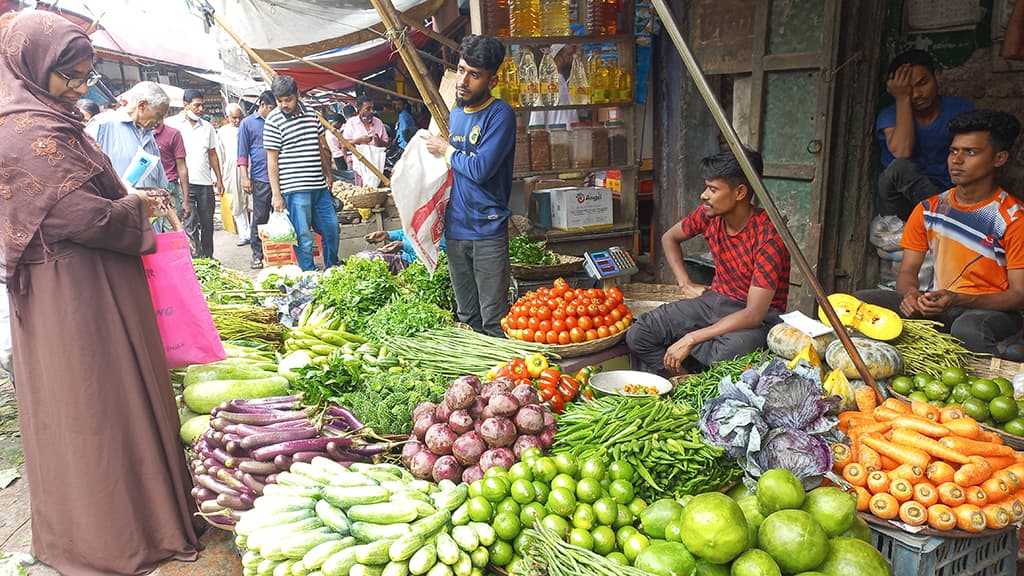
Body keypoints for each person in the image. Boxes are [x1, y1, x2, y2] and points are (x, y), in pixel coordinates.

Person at [0, 11, 202, 574]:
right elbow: (72, 217)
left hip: (94, 281)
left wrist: (126, 202)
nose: (83, 88)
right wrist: (132, 206)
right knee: (94, 407)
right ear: (35, 67)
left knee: (120, 396)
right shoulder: (21, 130)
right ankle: (112, 536)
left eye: (87, 74)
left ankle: (149, 517)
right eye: (72, 76)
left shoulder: (52, 118)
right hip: (71, 295)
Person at [856, 110, 1024, 356]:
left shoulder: (1013, 218)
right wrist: (911, 295)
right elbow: (907, 272)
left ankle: (989, 384)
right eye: (953, 151)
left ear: (999, 158)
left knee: (967, 329)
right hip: (942, 304)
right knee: (858, 303)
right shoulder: (929, 209)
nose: (957, 160)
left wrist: (959, 299)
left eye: (971, 152)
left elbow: (1019, 296)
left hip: (990, 311)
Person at [626, 149, 791, 375]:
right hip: (714, 301)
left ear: (740, 192)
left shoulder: (769, 237)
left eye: (712, 189)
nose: (704, 195)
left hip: (759, 318)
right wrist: (685, 283)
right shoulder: (708, 214)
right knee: (639, 333)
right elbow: (669, 238)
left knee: (726, 352)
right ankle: (685, 382)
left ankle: (697, 368)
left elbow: (754, 314)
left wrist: (692, 337)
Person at [424, 35, 516, 337]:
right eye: (462, 70)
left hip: (487, 230)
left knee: (494, 319)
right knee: (466, 316)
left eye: (474, 75)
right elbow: (454, 169)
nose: (463, 80)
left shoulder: (500, 114)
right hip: (456, 229)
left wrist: (446, 150)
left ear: (492, 78)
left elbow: (479, 168)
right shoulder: (457, 113)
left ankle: (500, 379)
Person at [876, 49, 973, 221]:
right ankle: (951, 221)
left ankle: (950, 220)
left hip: (944, 193)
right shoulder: (890, 115)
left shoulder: (960, 109)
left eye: (923, 83)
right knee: (900, 168)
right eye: (908, 89)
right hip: (901, 202)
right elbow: (902, 152)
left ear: (937, 75)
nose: (916, 94)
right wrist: (902, 99)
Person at [85, 81, 186, 234]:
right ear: (142, 105)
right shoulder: (103, 125)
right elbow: (84, 176)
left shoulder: (148, 136)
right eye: (158, 115)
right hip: (117, 227)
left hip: (149, 230)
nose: (159, 122)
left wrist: (178, 227)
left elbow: (160, 191)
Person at [263, 74, 340, 271]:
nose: (283, 104)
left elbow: (319, 145)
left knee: (332, 229)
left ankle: (332, 268)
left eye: (287, 99)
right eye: (279, 101)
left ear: (297, 94)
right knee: (303, 237)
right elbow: (271, 161)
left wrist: (328, 173)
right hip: (294, 189)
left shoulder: (312, 115)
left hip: (319, 187)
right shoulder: (273, 121)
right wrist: (276, 194)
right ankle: (309, 274)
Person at [167, 88, 224, 258]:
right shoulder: (172, 125)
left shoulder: (207, 127)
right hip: (183, 183)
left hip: (205, 182)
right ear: (185, 105)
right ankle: (196, 258)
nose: (200, 109)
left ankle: (208, 256)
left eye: (202, 106)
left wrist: (219, 179)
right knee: (190, 223)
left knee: (207, 222)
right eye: (196, 106)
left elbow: (212, 154)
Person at [238, 90, 277, 269]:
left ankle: (278, 253)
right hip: (260, 177)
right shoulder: (247, 124)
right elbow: (242, 154)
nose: (272, 111)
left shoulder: (277, 121)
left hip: (280, 177)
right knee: (260, 217)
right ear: (262, 104)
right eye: (270, 108)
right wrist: (245, 178)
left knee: (280, 216)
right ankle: (257, 254)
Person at [219, 102, 250, 245]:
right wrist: (217, 178)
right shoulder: (222, 132)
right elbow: (220, 155)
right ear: (228, 117)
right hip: (231, 171)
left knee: (252, 201)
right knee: (236, 203)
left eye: (239, 117)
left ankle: (256, 232)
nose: (237, 121)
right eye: (234, 118)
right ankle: (245, 234)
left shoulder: (247, 127)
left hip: (249, 167)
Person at [528, 44, 580, 128]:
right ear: (557, 59)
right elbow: (537, 119)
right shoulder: (547, 85)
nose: (573, 58)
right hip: (555, 137)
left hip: (574, 137)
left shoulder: (569, 82)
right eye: (569, 55)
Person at [341, 94, 389, 185]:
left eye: (372, 108)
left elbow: (386, 145)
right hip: (359, 166)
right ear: (359, 110)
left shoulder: (378, 122)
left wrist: (379, 141)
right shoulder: (351, 123)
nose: (371, 111)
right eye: (368, 109)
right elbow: (343, 144)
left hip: (377, 166)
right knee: (362, 191)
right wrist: (357, 141)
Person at [153, 114, 190, 225]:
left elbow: (182, 167)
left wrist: (186, 200)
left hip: (170, 187)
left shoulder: (173, 134)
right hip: (149, 189)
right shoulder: (141, 134)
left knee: (173, 229)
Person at [360, 229, 446, 273]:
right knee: (362, 257)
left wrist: (403, 245)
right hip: (402, 255)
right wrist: (387, 234)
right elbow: (406, 233)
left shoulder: (442, 228)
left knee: (372, 260)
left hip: (415, 264)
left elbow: (432, 256)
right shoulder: (420, 216)